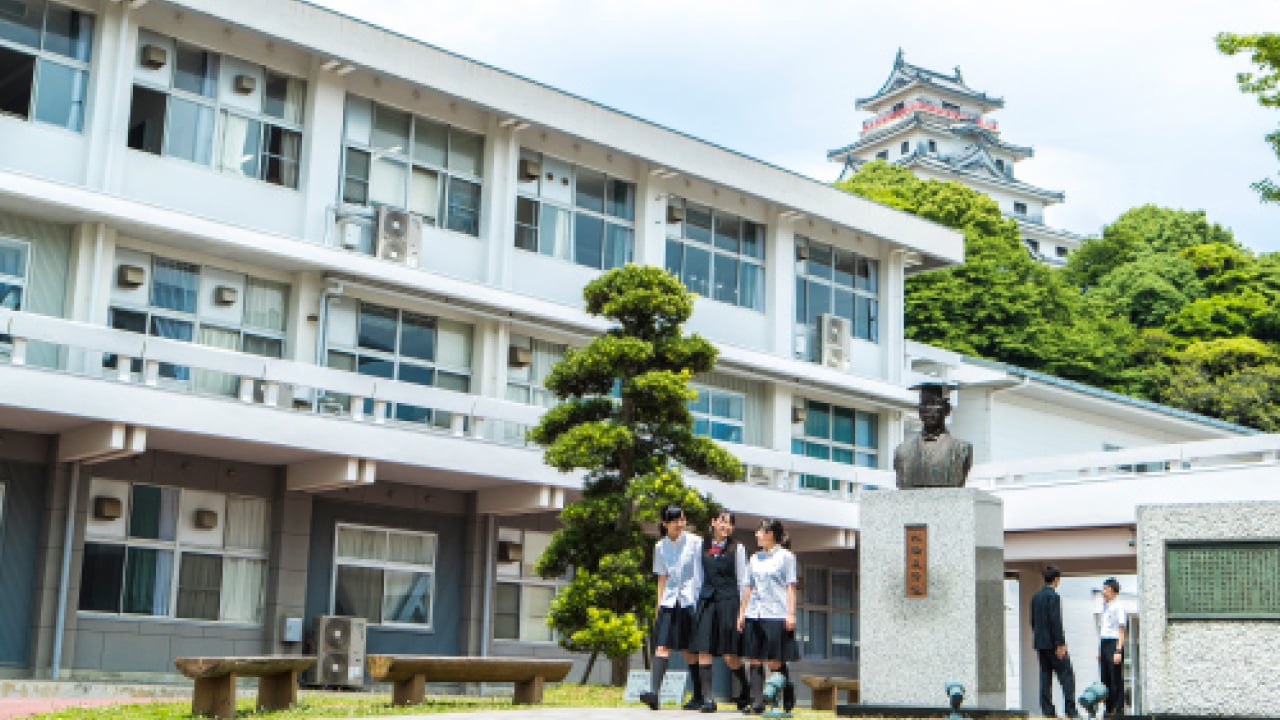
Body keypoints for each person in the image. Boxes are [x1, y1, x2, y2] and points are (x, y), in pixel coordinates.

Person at [641, 505, 704, 711]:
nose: (680, 524)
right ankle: (654, 693)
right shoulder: (660, 547)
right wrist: (658, 606)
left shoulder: (696, 542)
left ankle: (698, 694)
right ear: (664, 524)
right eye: (675, 521)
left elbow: (701, 573)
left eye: (682, 519)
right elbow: (662, 577)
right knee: (662, 646)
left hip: (689, 600)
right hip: (669, 601)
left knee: (688, 649)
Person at [689, 509, 749, 713]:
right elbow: (697, 577)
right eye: (722, 522)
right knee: (704, 649)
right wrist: (694, 603)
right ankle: (708, 698)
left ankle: (745, 688)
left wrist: (742, 611)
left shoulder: (737, 548)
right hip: (707, 600)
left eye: (730, 524)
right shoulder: (701, 546)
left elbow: (742, 581)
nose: (726, 527)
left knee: (729, 654)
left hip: (729, 601)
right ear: (713, 522)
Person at [736, 518, 799, 715]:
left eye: (760, 532)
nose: (757, 535)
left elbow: (790, 587)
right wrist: (741, 613)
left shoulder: (786, 557)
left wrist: (790, 613)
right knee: (754, 658)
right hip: (755, 613)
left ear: (771, 534)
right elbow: (748, 587)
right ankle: (757, 702)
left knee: (774, 661)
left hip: (776, 613)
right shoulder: (754, 559)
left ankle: (785, 692)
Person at [893, 382, 973, 489]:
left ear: (947, 409)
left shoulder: (961, 449)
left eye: (934, 403)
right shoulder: (903, 451)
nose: (928, 410)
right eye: (924, 404)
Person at [1030, 565, 1078, 718]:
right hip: (1053, 643)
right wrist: (1060, 644)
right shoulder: (1054, 597)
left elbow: (1032, 621)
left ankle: (1048, 710)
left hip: (1040, 643)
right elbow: (1055, 621)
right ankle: (1070, 709)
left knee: (1045, 676)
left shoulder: (1035, 598)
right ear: (1056, 580)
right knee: (1067, 675)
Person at [1097, 577, 1126, 718]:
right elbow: (1102, 629)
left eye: (1106, 589)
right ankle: (1108, 708)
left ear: (1114, 591)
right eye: (1103, 589)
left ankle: (1118, 708)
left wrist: (1118, 650)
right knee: (1105, 677)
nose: (1104, 592)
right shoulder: (1104, 606)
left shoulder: (1118, 606)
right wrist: (1099, 650)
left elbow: (1121, 630)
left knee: (1115, 678)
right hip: (1104, 642)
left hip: (1114, 642)